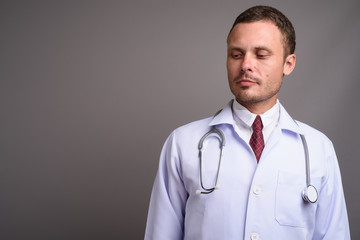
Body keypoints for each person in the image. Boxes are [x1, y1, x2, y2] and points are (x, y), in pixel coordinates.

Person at [145, 5, 350, 240]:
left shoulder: (318, 149)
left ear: (288, 64)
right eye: (236, 54)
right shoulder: (183, 143)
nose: (245, 65)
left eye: (261, 55)